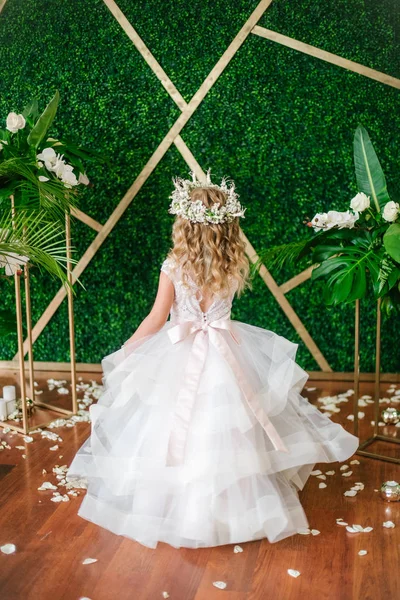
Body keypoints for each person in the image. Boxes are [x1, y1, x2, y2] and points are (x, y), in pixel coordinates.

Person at [66, 169, 359, 549]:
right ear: (227, 226)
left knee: (173, 425)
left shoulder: (173, 267)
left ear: (184, 223)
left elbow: (156, 320)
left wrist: (127, 351)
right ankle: (230, 504)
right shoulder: (231, 265)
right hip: (226, 353)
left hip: (178, 354)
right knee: (227, 426)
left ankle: (178, 503)